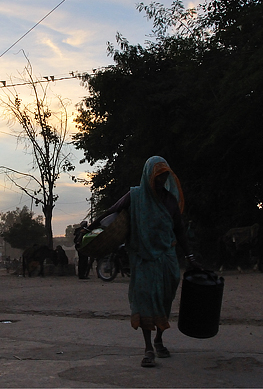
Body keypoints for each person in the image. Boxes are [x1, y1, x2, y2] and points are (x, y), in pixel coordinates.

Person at [92, 156, 202, 368]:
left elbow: (179, 231)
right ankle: (148, 348)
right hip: (142, 259)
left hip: (166, 259)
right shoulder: (135, 196)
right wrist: (90, 228)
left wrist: (190, 258)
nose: (160, 181)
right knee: (143, 300)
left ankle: (159, 339)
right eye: (157, 176)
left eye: (164, 176)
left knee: (164, 300)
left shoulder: (170, 201)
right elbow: (112, 211)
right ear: (148, 176)